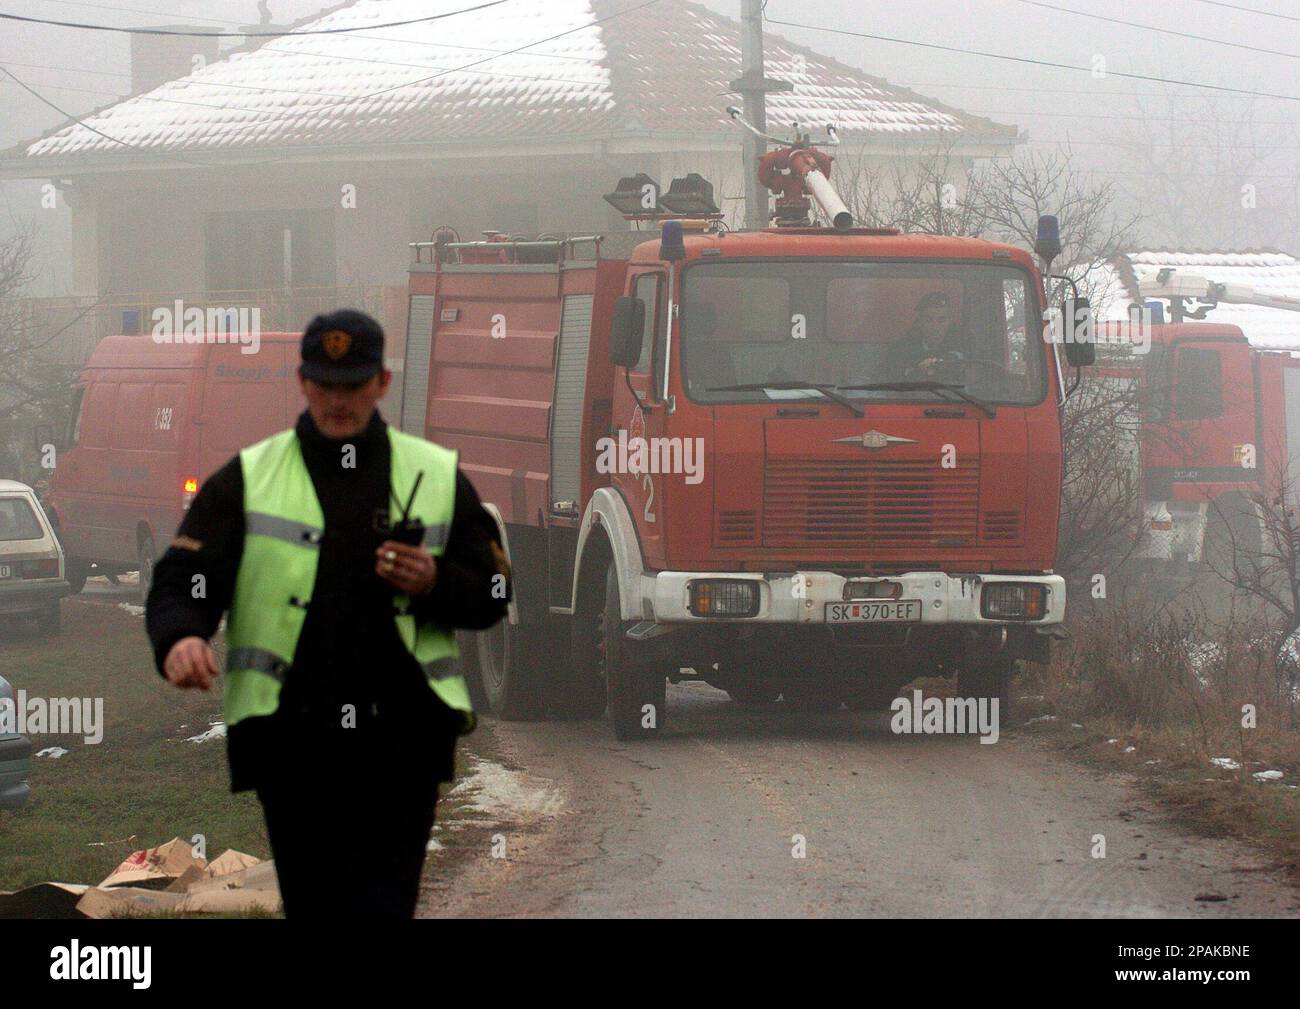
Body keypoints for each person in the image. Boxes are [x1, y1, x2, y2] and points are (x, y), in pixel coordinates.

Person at [145, 308, 509, 919]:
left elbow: (495, 594)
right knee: (317, 905)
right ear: (303, 382)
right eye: (325, 384)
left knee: (384, 905)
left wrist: (436, 580)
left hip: (403, 737)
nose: (339, 400)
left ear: (382, 384)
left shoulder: (435, 475)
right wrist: (181, 636)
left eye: (354, 385)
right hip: (294, 740)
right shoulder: (248, 479)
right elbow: (182, 581)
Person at [885, 292, 965, 380]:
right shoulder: (900, 349)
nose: (935, 327)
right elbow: (888, 380)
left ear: (950, 321)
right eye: (928, 320)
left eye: (941, 320)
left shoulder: (963, 344)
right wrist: (917, 371)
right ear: (920, 322)